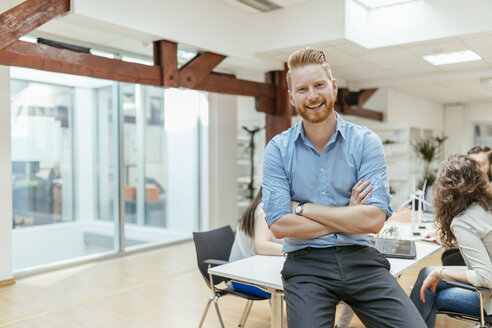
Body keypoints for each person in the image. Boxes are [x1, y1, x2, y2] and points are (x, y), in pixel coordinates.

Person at [262, 47, 426, 328]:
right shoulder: (277, 150)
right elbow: (279, 225)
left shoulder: (366, 142)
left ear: (333, 88)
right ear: (292, 97)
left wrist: (303, 208)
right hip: (305, 265)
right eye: (302, 89)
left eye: (319, 85)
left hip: (360, 258)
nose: (312, 96)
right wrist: (349, 216)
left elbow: (373, 220)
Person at [230, 183, 373, 327]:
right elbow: (260, 246)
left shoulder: (286, 208)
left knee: (344, 276)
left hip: (261, 270)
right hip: (242, 277)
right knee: (318, 284)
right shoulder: (265, 208)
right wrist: (294, 249)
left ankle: (339, 325)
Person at [409, 154, 492, 327]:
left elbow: (486, 277)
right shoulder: (486, 206)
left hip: (490, 298)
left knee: (431, 292)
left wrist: (441, 273)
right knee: (426, 273)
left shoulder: (463, 221)